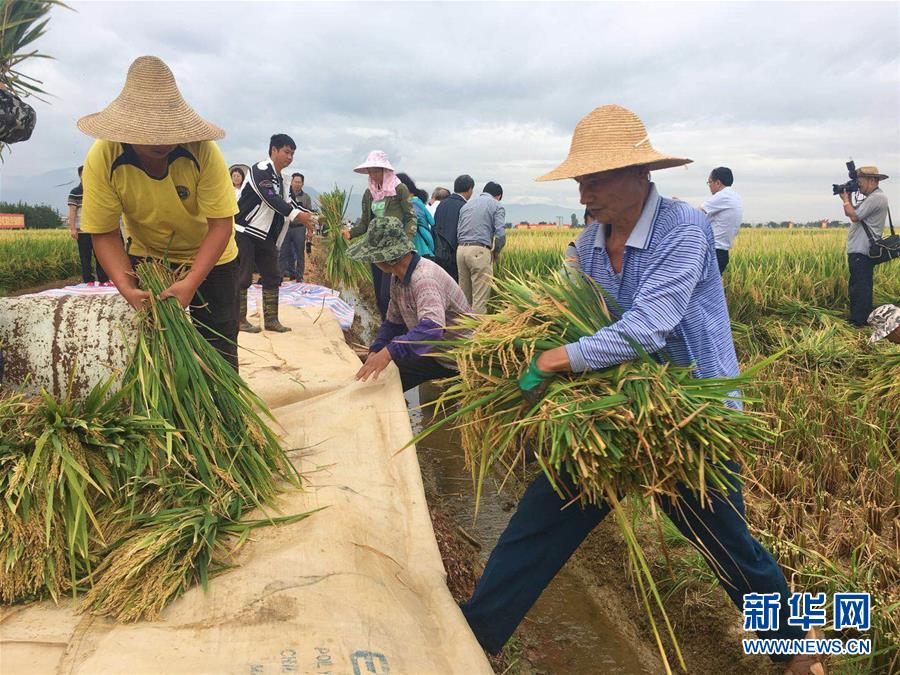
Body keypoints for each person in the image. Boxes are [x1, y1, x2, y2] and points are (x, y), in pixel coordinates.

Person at [460, 104, 825, 675]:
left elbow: (651, 324)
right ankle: (476, 633)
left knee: (728, 545)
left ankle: (798, 650)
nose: (585, 194)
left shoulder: (685, 228)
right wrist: (520, 336)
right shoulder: (590, 237)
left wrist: (558, 359)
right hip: (616, 410)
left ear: (639, 174)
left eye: (596, 179)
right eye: (580, 180)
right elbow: (574, 305)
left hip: (688, 412)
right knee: (540, 521)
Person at [77, 56, 242, 371]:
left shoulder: (202, 151)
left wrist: (191, 281)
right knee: (155, 345)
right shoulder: (104, 155)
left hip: (212, 256)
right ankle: (167, 412)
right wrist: (128, 289)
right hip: (149, 257)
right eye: (150, 134)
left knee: (219, 343)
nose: (161, 142)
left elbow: (221, 225)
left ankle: (222, 414)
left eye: (166, 132)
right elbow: (104, 232)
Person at [347, 215, 471, 392]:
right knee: (379, 383)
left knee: (390, 373)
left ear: (384, 258)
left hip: (459, 358)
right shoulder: (397, 278)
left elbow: (432, 329)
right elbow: (393, 323)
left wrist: (389, 352)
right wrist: (376, 349)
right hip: (434, 353)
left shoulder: (424, 279)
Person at [235, 134, 317, 333]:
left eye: (292, 154)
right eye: (286, 152)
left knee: (272, 275)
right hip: (246, 230)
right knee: (243, 275)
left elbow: (290, 203)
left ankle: (271, 321)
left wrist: (311, 218)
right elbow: (269, 197)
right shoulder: (261, 170)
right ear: (274, 150)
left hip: (267, 235)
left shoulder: (284, 180)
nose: (290, 157)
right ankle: (239, 320)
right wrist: (298, 215)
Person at [345, 150, 417, 319]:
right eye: (370, 171)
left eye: (377, 170)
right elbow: (364, 223)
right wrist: (350, 233)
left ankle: (398, 328)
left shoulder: (399, 189)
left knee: (389, 294)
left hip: (395, 249)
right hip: (375, 249)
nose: (373, 174)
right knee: (379, 296)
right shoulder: (369, 194)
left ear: (386, 171)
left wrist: (405, 242)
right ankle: (386, 326)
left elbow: (411, 218)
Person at [839, 166, 890, 326]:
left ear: (872, 180)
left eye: (859, 181)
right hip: (860, 250)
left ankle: (859, 321)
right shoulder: (873, 198)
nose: (858, 185)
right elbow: (855, 213)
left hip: (862, 250)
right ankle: (863, 318)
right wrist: (848, 199)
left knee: (859, 287)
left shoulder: (877, 198)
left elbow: (854, 216)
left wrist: (846, 199)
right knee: (861, 284)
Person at [456, 181, 506, 313]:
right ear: (498, 196)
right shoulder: (496, 205)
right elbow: (500, 234)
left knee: (464, 298)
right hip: (479, 251)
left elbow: (459, 229)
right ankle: (477, 332)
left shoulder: (467, 205)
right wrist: (496, 252)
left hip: (461, 250)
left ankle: (462, 330)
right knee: (480, 298)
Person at [67, 165, 110, 286]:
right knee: (85, 256)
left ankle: (103, 280)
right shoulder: (75, 193)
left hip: (97, 229)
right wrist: (73, 229)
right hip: (82, 230)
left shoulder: (97, 191)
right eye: (83, 174)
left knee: (100, 255)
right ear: (80, 176)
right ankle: (89, 280)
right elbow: (72, 211)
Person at [701, 166, 743, 273]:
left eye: (709, 182)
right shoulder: (736, 197)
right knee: (711, 288)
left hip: (712, 252)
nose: (709, 185)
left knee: (700, 288)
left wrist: (680, 206)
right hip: (723, 253)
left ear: (718, 183)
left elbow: (696, 213)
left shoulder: (722, 196)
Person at [432, 175, 475, 282]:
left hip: (438, 252)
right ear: (469, 189)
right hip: (453, 256)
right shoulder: (464, 206)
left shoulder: (442, 204)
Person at [279, 172, 314, 282]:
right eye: (295, 182)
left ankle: (299, 277)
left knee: (299, 253)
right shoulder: (286, 195)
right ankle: (280, 276)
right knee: (283, 252)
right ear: (291, 182)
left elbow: (309, 215)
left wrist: (310, 230)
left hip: (299, 228)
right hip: (286, 227)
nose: (297, 184)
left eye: (300, 182)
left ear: (302, 184)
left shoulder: (306, 197)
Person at [397, 172, 436, 259]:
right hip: (426, 248)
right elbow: (432, 221)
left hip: (416, 250)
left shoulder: (409, 204)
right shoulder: (419, 202)